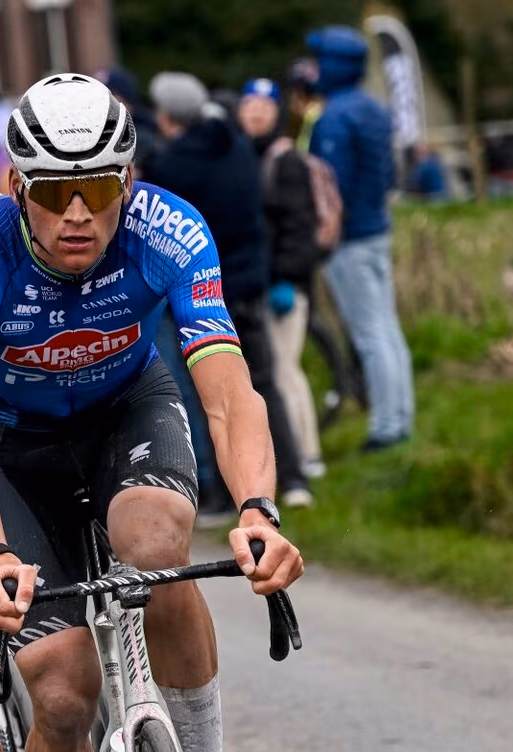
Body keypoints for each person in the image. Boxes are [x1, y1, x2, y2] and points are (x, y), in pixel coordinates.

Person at [0, 73, 305, 752]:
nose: (80, 214)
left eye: (101, 187)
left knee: (159, 547)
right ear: (17, 189)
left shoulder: (169, 228)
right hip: (15, 452)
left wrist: (256, 508)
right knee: (58, 688)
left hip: (126, 410)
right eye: (57, 193)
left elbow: (229, 394)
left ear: (129, 179)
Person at [147, 72, 312, 508]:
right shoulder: (239, 147)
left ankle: (221, 494)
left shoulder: (173, 165)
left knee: (210, 394)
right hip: (248, 287)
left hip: (200, 298)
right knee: (262, 387)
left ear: (168, 117)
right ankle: (292, 480)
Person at [309, 25, 413, 451]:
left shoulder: (335, 116)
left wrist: (323, 235)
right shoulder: (373, 109)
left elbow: (334, 187)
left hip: (349, 242)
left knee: (369, 333)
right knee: (387, 327)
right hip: (377, 229)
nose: (314, 69)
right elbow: (389, 173)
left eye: (319, 61)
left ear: (333, 66)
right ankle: (401, 415)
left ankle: (387, 428)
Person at [240, 78, 327, 479]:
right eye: (250, 105)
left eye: (265, 106)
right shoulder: (246, 158)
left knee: (285, 371)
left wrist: (289, 279)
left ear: (277, 114)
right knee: (278, 372)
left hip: (285, 286)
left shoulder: (285, 160)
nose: (256, 112)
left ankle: (308, 456)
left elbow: (298, 226)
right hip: (263, 284)